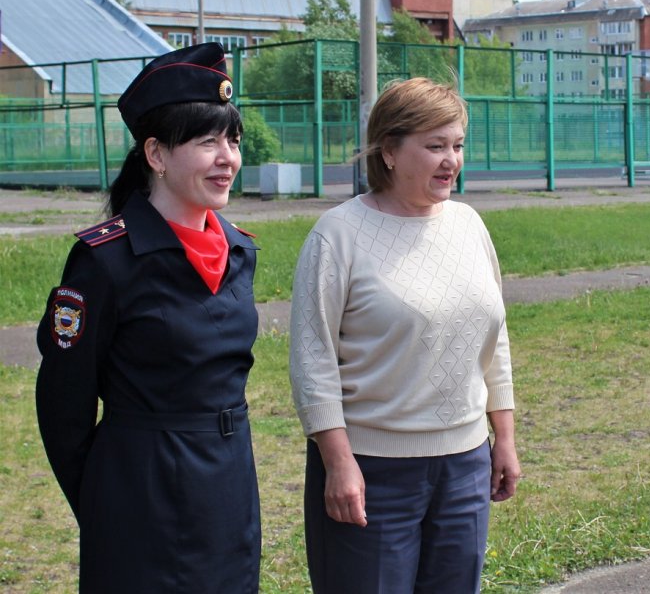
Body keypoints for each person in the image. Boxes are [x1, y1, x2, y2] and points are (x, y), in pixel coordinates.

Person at [35, 43, 261, 593]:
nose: (227, 157)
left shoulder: (239, 250)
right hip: (142, 491)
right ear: (156, 155)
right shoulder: (105, 260)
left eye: (231, 139)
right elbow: (64, 402)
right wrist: (106, 500)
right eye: (206, 141)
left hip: (230, 488)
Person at [289, 77, 521, 594]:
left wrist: (501, 438)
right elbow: (312, 360)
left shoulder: (469, 225)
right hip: (372, 469)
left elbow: (494, 340)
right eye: (435, 145)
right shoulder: (338, 234)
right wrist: (339, 462)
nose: (451, 160)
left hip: (465, 463)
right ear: (389, 151)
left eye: (457, 145)